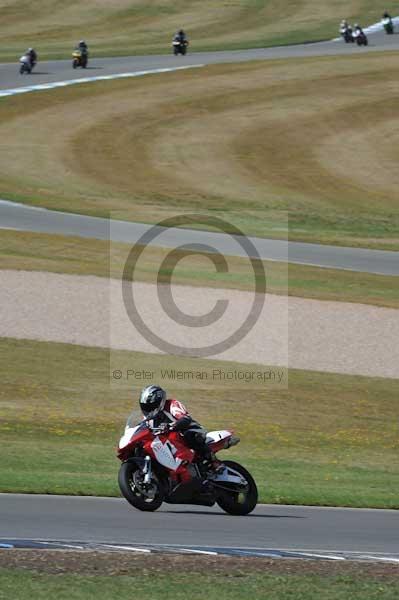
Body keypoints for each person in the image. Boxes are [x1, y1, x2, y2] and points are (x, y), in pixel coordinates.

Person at [139, 384, 218, 470]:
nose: (148, 409)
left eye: (150, 406)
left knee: (189, 435)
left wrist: (171, 425)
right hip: (170, 440)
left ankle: (213, 462)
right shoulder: (148, 417)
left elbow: (186, 419)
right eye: (145, 406)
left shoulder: (172, 404)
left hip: (189, 430)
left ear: (159, 402)